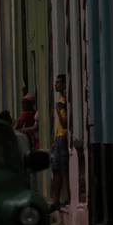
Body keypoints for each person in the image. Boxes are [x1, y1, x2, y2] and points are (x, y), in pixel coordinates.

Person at [50, 75, 69, 211]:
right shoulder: (61, 100)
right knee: (56, 169)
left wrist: (57, 109)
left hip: (62, 137)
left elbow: (64, 123)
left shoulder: (63, 102)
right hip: (58, 137)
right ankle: (56, 200)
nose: (55, 85)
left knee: (62, 169)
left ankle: (65, 198)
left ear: (64, 84)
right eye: (55, 82)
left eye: (58, 82)